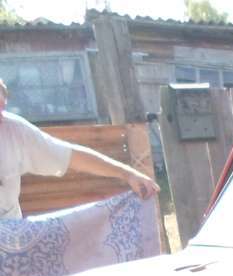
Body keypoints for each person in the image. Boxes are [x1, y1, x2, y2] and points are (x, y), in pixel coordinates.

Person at [0, 77, 159, 220]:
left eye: (1, 109)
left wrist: (128, 174)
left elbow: (71, 156)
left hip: (11, 240)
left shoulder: (15, 131)